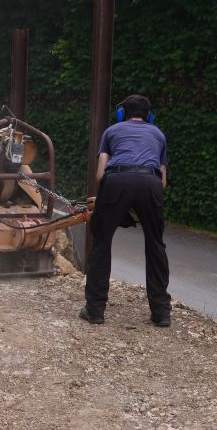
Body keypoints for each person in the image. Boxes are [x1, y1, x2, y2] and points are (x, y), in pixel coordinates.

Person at [81, 94, 171, 327]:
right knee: (155, 244)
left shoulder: (111, 131)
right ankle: (161, 313)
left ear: (121, 114)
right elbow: (162, 181)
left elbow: (100, 174)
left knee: (102, 242)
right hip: (150, 183)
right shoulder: (158, 134)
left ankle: (95, 310)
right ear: (149, 116)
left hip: (117, 180)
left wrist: (113, 202)